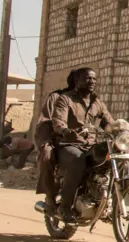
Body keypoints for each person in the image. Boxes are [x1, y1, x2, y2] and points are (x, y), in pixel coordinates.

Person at [51, 68, 114, 224]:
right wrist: (65, 131)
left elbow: (110, 124)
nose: (92, 81)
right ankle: (65, 207)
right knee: (78, 160)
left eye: (94, 79)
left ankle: (107, 202)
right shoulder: (65, 99)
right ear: (77, 81)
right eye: (87, 78)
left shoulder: (97, 102)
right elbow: (58, 121)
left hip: (91, 145)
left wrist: (126, 130)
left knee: (112, 159)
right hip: (70, 144)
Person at [34, 69, 79, 214]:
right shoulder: (56, 97)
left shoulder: (90, 100)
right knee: (47, 154)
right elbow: (45, 122)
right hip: (57, 139)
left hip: (81, 141)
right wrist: (55, 135)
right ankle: (50, 196)